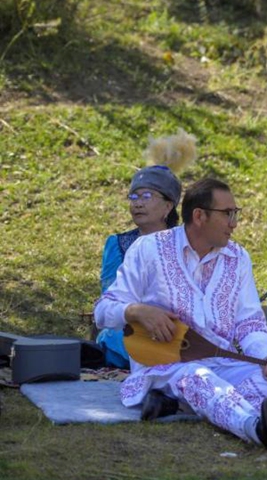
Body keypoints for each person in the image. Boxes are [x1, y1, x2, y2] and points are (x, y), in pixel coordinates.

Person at [94, 178, 267, 453]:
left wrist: (266, 357)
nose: (234, 223)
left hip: (221, 362)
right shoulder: (149, 249)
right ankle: (255, 429)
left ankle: (178, 403)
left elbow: (249, 323)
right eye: (227, 214)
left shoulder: (238, 258)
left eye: (235, 213)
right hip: (165, 365)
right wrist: (136, 311)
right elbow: (103, 311)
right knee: (196, 377)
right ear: (200, 216)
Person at [96, 130, 196, 368]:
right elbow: (111, 298)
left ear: (168, 206)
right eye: (133, 197)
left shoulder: (187, 244)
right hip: (130, 329)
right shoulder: (118, 244)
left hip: (175, 329)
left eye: (147, 196)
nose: (138, 203)